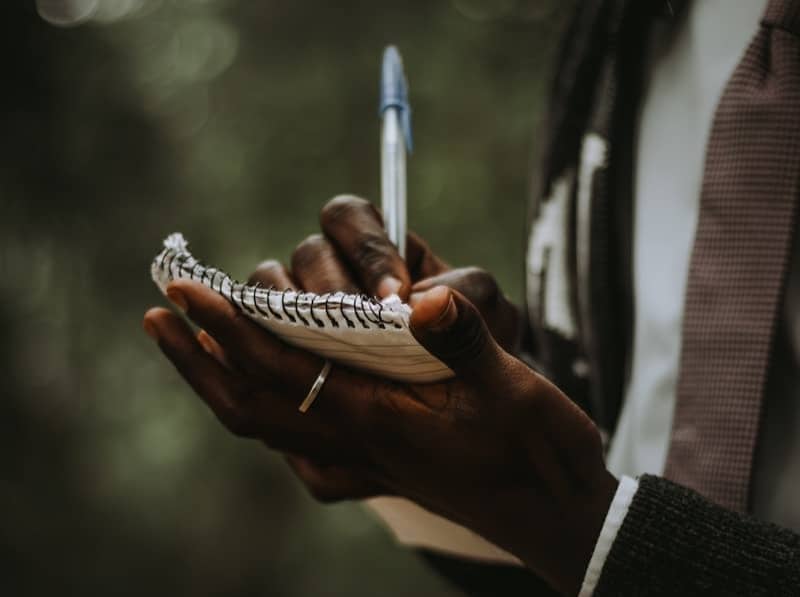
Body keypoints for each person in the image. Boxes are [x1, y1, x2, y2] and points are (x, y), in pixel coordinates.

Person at [143, 0, 800, 594]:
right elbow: (630, 443)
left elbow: (599, 525)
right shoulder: (611, 39)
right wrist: (456, 420)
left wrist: (581, 523)